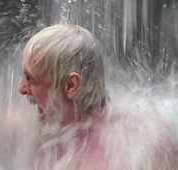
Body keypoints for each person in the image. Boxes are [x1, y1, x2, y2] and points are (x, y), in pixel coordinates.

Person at [18, 24, 178, 170]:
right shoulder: (42, 132)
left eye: (30, 79)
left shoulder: (138, 149)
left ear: (70, 86)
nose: (22, 89)